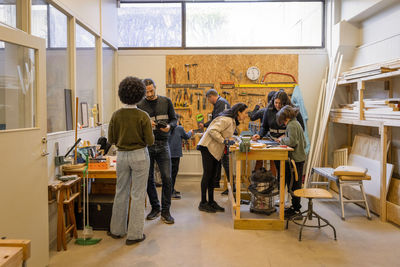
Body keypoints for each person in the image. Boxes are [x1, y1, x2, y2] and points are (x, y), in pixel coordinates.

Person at [107, 76, 154, 245]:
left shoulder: (116, 115)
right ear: (140, 94)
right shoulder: (143, 116)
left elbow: (111, 138)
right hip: (140, 155)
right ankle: (134, 234)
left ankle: (117, 230)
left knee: (121, 192)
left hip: (121, 156)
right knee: (138, 194)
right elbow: (150, 141)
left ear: (122, 94)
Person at [137, 78, 177, 224]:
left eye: (151, 90)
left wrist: (169, 127)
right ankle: (155, 208)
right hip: (147, 145)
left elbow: (174, 120)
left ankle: (166, 211)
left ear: (155, 88)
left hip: (163, 143)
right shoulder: (139, 105)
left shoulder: (166, 101)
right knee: (148, 179)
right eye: (146, 91)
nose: (149, 93)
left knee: (167, 177)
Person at [197, 103, 248, 213]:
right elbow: (212, 130)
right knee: (207, 175)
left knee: (213, 176)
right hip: (207, 147)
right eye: (245, 113)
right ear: (239, 112)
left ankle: (211, 201)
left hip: (214, 149)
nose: (246, 115)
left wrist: (236, 139)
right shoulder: (227, 120)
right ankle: (203, 203)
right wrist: (223, 141)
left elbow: (226, 134)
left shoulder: (232, 121)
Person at [276, 105, 306, 220]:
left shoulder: (292, 125)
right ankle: (294, 207)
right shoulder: (295, 123)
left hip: (296, 160)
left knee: (294, 184)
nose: (283, 123)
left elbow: (292, 142)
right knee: (293, 183)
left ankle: (296, 209)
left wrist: (281, 140)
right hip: (297, 158)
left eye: (283, 121)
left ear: (285, 118)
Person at [200, 89, 231, 192]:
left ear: (211, 97)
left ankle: (228, 186)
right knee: (218, 162)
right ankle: (216, 183)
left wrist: (205, 125)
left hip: (220, 138)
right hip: (221, 137)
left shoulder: (220, 103)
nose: (209, 102)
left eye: (209, 99)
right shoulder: (222, 102)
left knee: (222, 163)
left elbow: (215, 122)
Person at [168, 120, 193, 199]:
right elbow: (186, 136)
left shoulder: (166, 128)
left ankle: (171, 190)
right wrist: (190, 132)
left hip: (167, 154)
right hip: (175, 154)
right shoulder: (179, 128)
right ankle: (171, 192)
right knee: (173, 174)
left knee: (170, 174)